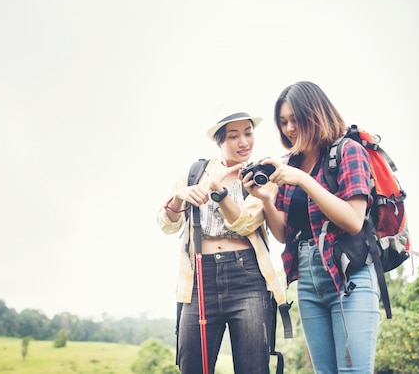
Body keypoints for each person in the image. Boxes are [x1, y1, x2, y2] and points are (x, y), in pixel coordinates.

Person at [245, 81, 379, 373]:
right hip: (307, 279)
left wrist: (303, 180)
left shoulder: (348, 151)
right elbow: (283, 235)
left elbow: (354, 221)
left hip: (349, 275)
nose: (290, 128)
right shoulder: (289, 163)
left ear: (315, 113)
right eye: (283, 122)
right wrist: (267, 200)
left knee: (353, 371)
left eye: (295, 119)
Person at [157, 111, 286, 374]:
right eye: (233, 136)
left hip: (248, 277)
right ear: (218, 142)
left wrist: (220, 195)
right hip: (198, 278)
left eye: (248, 133)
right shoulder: (194, 173)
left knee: (254, 368)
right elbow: (166, 224)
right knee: (192, 367)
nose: (244, 142)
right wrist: (179, 197)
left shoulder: (262, 178)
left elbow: (245, 223)